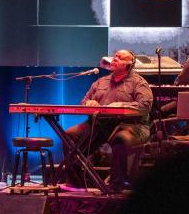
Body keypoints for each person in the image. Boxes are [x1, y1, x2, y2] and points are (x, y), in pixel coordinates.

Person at [65, 50, 153, 190]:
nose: (115, 59)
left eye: (120, 58)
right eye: (115, 56)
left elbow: (145, 105)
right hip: (100, 124)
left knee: (121, 138)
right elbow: (84, 101)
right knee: (70, 135)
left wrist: (122, 105)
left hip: (131, 125)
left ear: (129, 64)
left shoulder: (139, 82)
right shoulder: (101, 81)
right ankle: (77, 182)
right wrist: (89, 103)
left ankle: (117, 184)